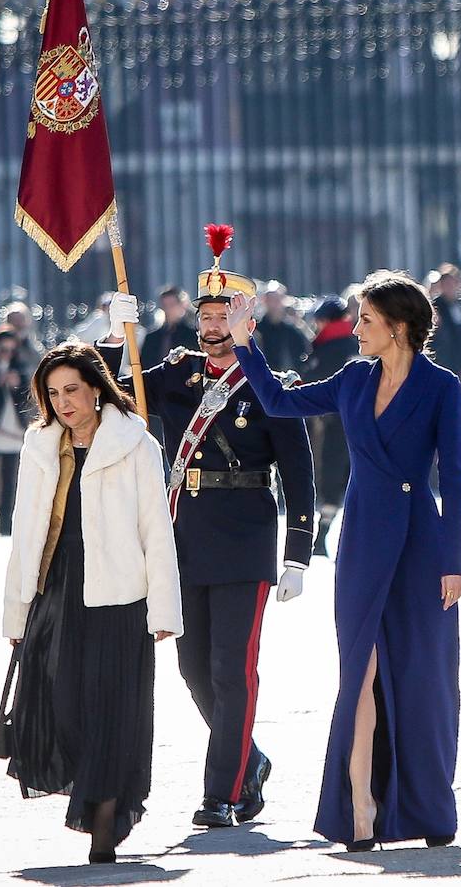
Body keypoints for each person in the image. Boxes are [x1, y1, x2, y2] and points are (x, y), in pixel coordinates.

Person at [226, 270, 461, 851]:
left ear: (399, 328)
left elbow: (454, 480)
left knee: (423, 677)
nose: (354, 330)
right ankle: (359, 805)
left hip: (420, 544)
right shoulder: (353, 378)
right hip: (362, 539)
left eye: (365, 320)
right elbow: (280, 402)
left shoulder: (441, 387)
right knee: (359, 670)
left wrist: (453, 560)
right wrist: (242, 343)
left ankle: (428, 808)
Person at [98, 239, 315, 831]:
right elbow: (111, 396)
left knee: (231, 670)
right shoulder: (177, 374)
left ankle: (222, 792)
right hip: (184, 539)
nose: (214, 324)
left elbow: (299, 476)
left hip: (245, 541)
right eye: (208, 315)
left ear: (249, 319)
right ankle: (250, 760)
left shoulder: (274, 384)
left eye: (226, 315)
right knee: (194, 669)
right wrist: (116, 337)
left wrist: (298, 554)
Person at [2, 341, 183, 865]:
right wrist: (16, 610)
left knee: (115, 706)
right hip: (56, 588)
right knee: (60, 698)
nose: (63, 401)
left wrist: (164, 609)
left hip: (120, 593)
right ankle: (93, 790)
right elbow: (23, 534)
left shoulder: (135, 443)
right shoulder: (39, 446)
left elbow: (157, 529)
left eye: (72, 390)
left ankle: (104, 816)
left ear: (97, 389)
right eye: (53, 392)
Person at [301, 296, 359, 557]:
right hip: (364, 424)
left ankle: (322, 536)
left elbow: (311, 382)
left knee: (332, 480)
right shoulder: (358, 343)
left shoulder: (327, 349)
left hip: (335, 423)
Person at [0, 329, 31, 535]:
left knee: (10, 479)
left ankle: (5, 522)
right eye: (3, 349)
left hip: (13, 428)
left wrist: (16, 385)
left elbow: (27, 397)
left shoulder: (20, 369)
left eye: (11, 350)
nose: (7, 353)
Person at [254, 281, 311, 372]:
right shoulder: (256, 329)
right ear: (264, 301)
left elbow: (306, 353)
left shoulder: (293, 330)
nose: (274, 304)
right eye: (270, 299)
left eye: (277, 299)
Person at [139, 286, 197, 368]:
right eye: (165, 305)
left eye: (172, 305)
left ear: (182, 305)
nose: (168, 309)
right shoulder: (151, 338)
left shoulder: (193, 335)